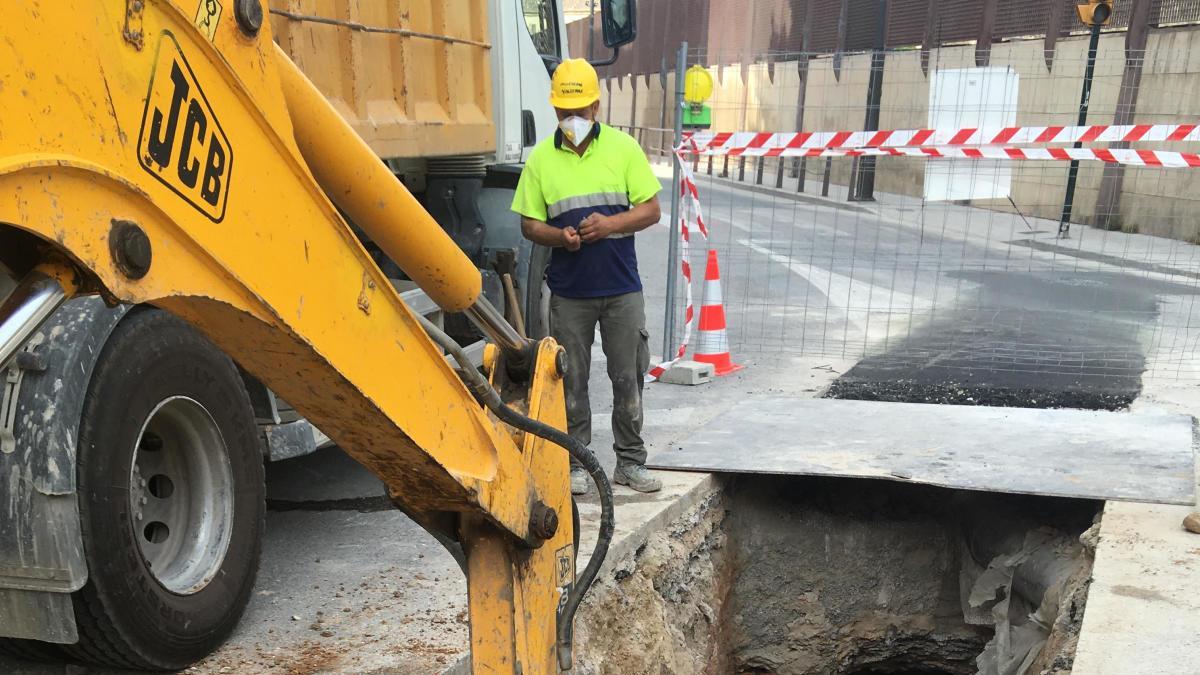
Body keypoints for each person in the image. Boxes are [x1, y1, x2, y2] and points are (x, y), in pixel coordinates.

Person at [511, 59, 663, 494]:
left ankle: (630, 463)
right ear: (554, 110)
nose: (571, 120)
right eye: (564, 112)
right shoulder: (542, 159)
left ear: (597, 106)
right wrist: (561, 236)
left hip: (621, 289)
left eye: (579, 110)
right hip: (570, 293)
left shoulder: (623, 149)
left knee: (627, 376)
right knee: (570, 380)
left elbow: (651, 210)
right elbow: (528, 225)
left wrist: (610, 225)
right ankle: (577, 465)